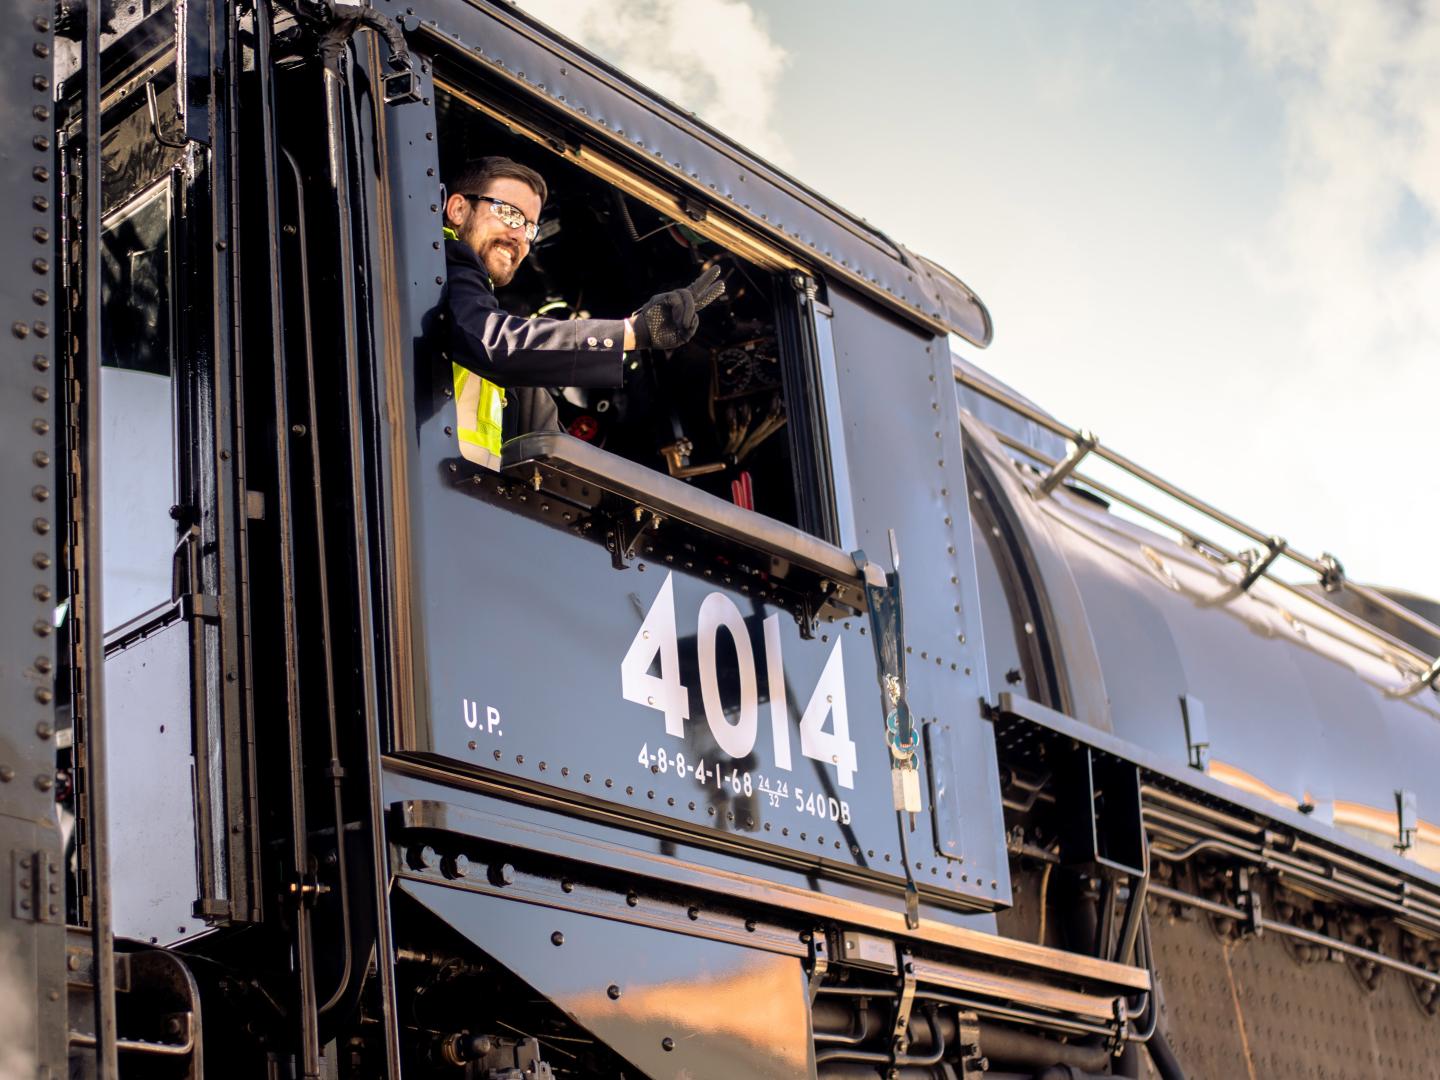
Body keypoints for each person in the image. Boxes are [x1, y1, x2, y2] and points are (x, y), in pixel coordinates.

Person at [439, 156, 723, 469]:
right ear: (458, 209)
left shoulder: (479, 319)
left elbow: (545, 437)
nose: (519, 235)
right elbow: (495, 343)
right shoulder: (446, 264)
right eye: (509, 213)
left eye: (530, 228)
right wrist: (632, 333)